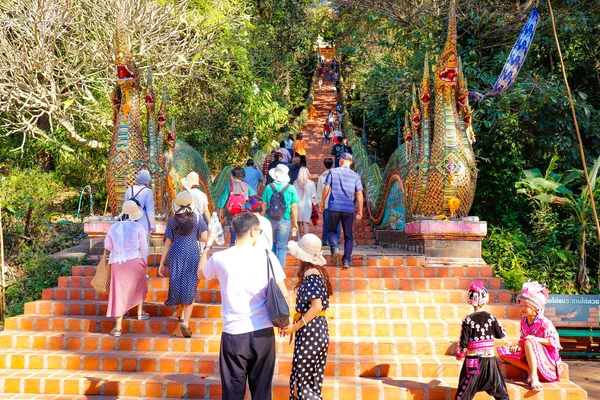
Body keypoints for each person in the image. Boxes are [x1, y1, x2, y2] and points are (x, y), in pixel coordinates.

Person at [198, 213, 290, 400]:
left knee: (232, 392)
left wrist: (208, 246)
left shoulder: (220, 258)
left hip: (233, 334)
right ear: (252, 231)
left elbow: (201, 274)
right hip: (263, 332)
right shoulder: (267, 256)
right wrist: (284, 322)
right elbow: (284, 293)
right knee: (262, 391)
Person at [281, 234, 332, 400]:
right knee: (312, 381)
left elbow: (316, 306)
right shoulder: (319, 272)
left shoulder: (310, 273)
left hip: (311, 331)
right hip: (318, 330)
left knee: (304, 382)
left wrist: (295, 327)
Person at [498, 281, 564, 391]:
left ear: (536, 308)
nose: (522, 309)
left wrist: (535, 339)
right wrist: (518, 346)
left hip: (548, 361)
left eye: (526, 306)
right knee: (502, 352)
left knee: (529, 341)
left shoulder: (545, 322)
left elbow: (554, 342)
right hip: (530, 356)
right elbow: (521, 339)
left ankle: (534, 377)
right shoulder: (523, 321)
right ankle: (530, 369)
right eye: (521, 305)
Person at [158, 191, 208, 337]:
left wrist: (161, 263)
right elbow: (204, 238)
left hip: (176, 251)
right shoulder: (197, 219)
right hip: (191, 250)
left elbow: (167, 243)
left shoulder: (172, 220)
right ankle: (185, 322)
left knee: (177, 281)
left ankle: (181, 315)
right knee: (190, 283)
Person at [454, 281, 509, 400]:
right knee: (500, 390)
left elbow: (463, 342)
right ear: (486, 300)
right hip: (490, 361)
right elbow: (501, 334)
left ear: (470, 300)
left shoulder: (467, 320)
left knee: (464, 392)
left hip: (473, 361)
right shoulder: (491, 317)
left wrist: (460, 353)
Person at [104, 200, 149, 337]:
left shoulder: (113, 228)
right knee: (139, 285)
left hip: (118, 263)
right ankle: (140, 312)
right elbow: (144, 248)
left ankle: (118, 327)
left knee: (118, 292)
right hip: (135, 260)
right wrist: (144, 262)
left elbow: (108, 246)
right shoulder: (138, 227)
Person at [320, 153, 363, 268]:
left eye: (340, 160)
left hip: (334, 207)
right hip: (348, 209)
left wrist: (322, 202)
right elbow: (359, 193)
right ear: (351, 162)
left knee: (331, 231)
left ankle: (335, 249)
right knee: (348, 235)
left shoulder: (333, 172)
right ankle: (346, 261)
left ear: (342, 160)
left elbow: (326, 188)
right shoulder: (355, 175)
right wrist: (360, 210)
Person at [262, 164, 299, 267]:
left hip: (270, 219)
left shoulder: (269, 187)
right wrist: (294, 222)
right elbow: (294, 207)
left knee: (271, 244)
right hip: (284, 219)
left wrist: (261, 217)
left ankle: (271, 269)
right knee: (282, 247)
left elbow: (264, 204)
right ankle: (280, 271)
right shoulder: (291, 188)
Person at [218, 167, 255, 245]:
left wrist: (221, 212)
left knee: (233, 229)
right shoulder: (247, 186)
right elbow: (254, 200)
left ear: (233, 176)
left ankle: (232, 244)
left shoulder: (229, 185)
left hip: (231, 212)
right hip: (243, 212)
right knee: (243, 229)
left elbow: (223, 199)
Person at [124, 169, 156, 238]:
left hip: (130, 221)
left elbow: (125, 207)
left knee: (131, 245)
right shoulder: (148, 191)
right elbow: (150, 210)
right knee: (143, 246)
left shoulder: (129, 190)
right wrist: (153, 225)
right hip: (142, 221)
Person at [317, 158, 339, 246]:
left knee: (326, 223)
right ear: (332, 164)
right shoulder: (337, 176)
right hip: (336, 203)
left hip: (326, 203)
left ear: (324, 164)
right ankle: (336, 239)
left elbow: (319, 191)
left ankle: (325, 240)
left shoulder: (321, 177)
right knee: (336, 223)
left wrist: (320, 203)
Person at [294, 167, 318, 239]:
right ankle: (305, 239)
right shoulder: (311, 183)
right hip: (307, 205)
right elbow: (314, 196)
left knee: (297, 222)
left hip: (297, 205)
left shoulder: (295, 183)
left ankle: (299, 238)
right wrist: (315, 203)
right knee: (306, 222)